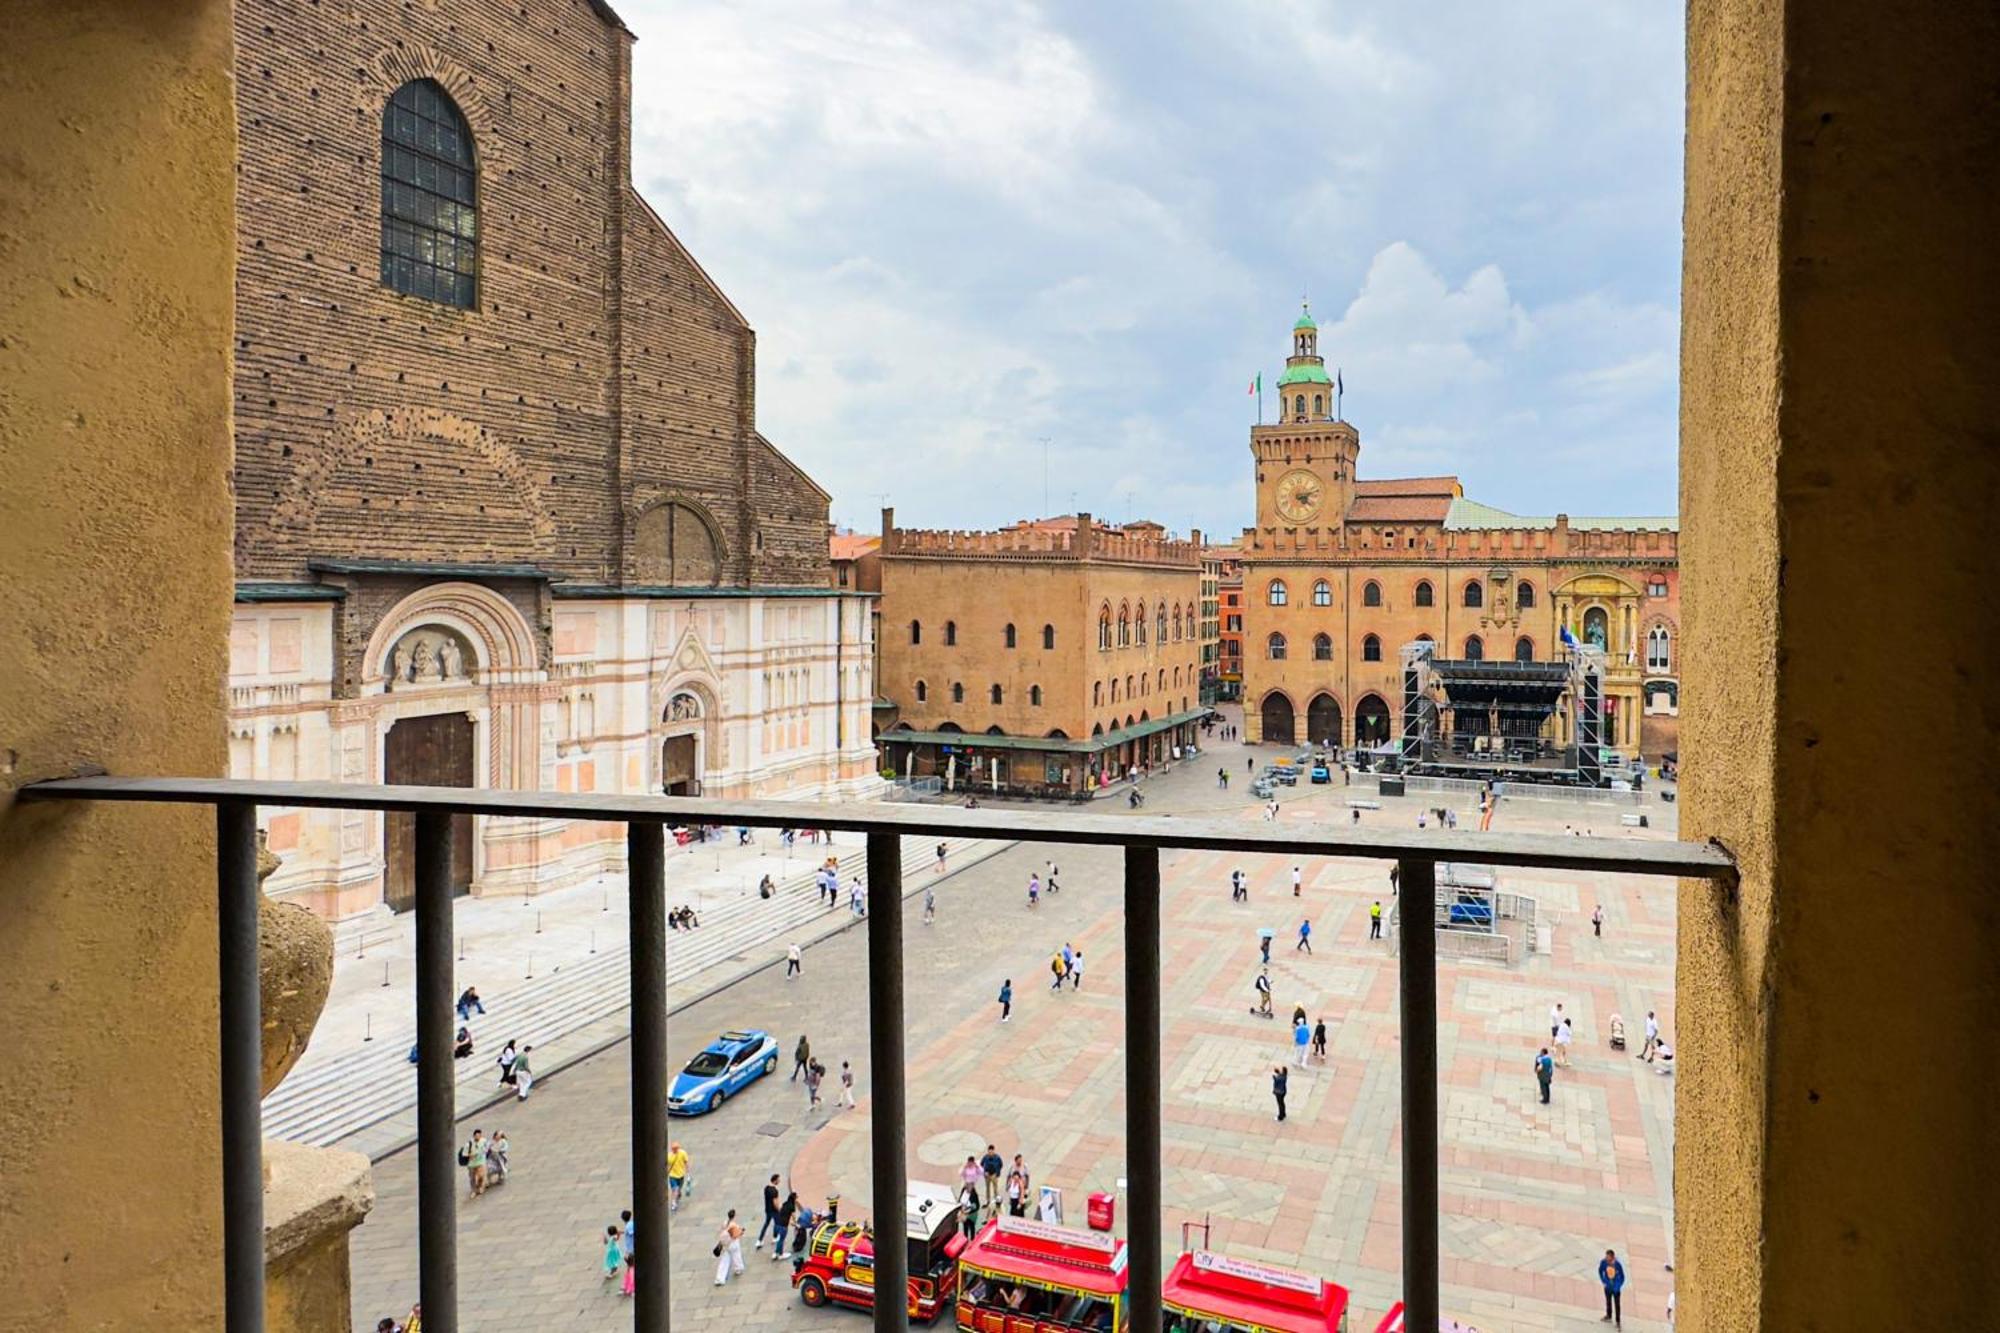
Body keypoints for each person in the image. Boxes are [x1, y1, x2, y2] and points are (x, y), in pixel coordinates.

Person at [713, 1210, 746, 1286]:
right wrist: (741, 1232)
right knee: (736, 1256)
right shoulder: (733, 1225)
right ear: (734, 1216)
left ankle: (719, 1278)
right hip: (733, 1244)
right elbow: (734, 1235)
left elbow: (721, 1231)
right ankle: (738, 1268)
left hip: (725, 1244)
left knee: (724, 1261)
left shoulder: (725, 1222)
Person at [755, 1173, 784, 1250]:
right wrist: (779, 1209)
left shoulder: (766, 1188)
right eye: (778, 1180)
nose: (779, 1181)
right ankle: (775, 1237)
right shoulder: (774, 1191)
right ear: (775, 1181)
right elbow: (775, 1203)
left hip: (768, 1210)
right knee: (777, 1224)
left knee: (766, 1224)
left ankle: (759, 1240)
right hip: (774, 1211)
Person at [1598, 1249, 1626, 1326]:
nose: (1606, 1258)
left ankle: (1618, 1321)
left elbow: (1622, 1277)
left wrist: (1618, 1286)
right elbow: (1600, 1271)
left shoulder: (1617, 1265)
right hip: (1607, 1287)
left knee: (1617, 1305)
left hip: (1616, 1289)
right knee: (1608, 1301)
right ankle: (1608, 1315)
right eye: (1606, 1256)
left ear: (1612, 1257)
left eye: (1608, 1257)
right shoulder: (1603, 1262)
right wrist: (1603, 1281)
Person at [461, 1129, 488, 1196]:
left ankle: (481, 1187)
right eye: (476, 1136)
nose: (478, 1137)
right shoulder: (469, 1144)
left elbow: (487, 1148)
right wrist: (470, 1155)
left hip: (481, 1161)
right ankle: (473, 1190)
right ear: (474, 1136)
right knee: (472, 1177)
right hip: (472, 1163)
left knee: (481, 1175)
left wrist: (484, 1152)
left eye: (479, 1136)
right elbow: (464, 1154)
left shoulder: (484, 1141)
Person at [668, 1141, 690, 1211]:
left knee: (679, 1188)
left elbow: (686, 1162)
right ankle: (674, 1203)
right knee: (675, 1189)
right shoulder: (669, 1156)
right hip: (672, 1175)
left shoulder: (683, 1153)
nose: (674, 1150)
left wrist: (687, 1171)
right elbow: (667, 1165)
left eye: (676, 1148)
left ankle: (678, 1193)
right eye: (673, 1148)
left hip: (681, 1175)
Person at [981, 1144, 1005, 1208]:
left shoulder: (997, 1157)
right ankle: (987, 1200)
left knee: (995, 1189)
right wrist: (985, 1171)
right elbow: (981, 1164)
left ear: (994, 1151)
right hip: (987, 1175)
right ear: (988, 1151)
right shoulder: (985, 1157)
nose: (990, 1153)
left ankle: (996, 1200)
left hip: (994, 1175)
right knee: (987, 1188)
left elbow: (1001, 1165)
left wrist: (997, 1172)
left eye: (992, 1151)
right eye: (989, 1152)